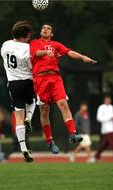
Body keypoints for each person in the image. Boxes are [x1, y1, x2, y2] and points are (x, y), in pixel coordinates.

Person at [30, 23, 97, 154]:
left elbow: (69, 52)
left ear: (52, 34)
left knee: (63, 104)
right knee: (44, 110)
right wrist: (45, 52)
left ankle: (73, 134)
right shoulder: (34, 43)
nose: (45, 29)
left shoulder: (56, 45)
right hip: (40, 79)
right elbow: (36, 53)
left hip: (55, 78)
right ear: (40, 31)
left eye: (48, 28)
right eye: (43, 27)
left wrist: (82, 57)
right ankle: (50, 142)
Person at [1, 20, 35, 162]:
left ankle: (23, 148)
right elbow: (30, 66)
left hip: (13, 84)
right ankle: (30, 117)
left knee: (18, 117)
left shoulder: (5, 45)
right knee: (32, 101)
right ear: (26, 35)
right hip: (27, 81)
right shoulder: (27, 48)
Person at [93, 95, 113, 161]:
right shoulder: (101, 107)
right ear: (104, 101)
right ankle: (96, 156)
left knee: (104, 145)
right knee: (111, 144)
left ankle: (96, 156)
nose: (108, 101)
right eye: (107, 100)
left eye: (109, 100)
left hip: (111, 128)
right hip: (106, 129)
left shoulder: (111, 107)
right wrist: (108, 118)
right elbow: (98, 118)